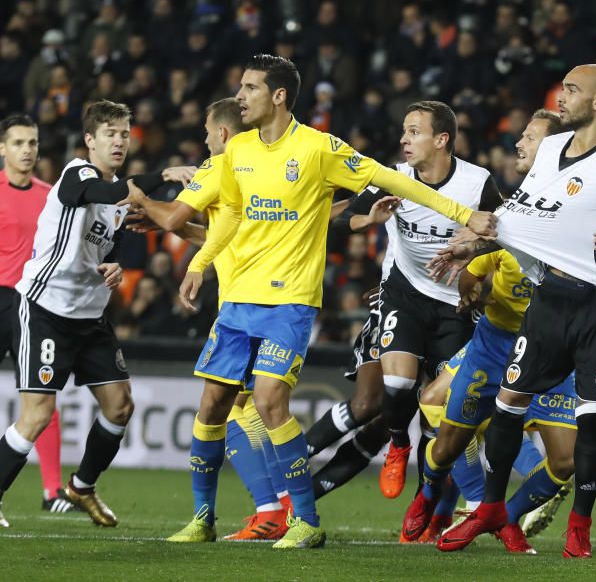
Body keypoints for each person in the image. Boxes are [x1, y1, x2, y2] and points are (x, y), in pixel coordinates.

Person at [171, 55, 495, 550]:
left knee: (267, 402)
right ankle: (202, 517)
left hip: (289, 301)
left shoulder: (319, 149)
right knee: (213, 404)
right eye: (240, 87)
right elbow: (232, 214)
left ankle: (304, 519)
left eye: (250, 88)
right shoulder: (237, 149)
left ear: (278, 95)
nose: (240, 97)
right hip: (237, 299)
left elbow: (394, 179)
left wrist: (462, 214)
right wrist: (200, 264)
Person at [428, 64, 596, 558]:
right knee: (509, 402)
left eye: (572, 89)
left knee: (593, 418)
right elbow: (526, 213)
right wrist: (477, 240)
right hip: (550, 296)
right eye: (562, 87)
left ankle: (579, 528)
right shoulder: (550, 150)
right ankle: (489, 509)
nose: (562, 95)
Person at [308, 100, 501, 502]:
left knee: (440, 417)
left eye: (414, 131)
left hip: (456, 307)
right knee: (392, 385)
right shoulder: (393, 177)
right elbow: (344, 221)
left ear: (442, 139)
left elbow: (504, 235)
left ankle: (427, 510)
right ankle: (398, 445)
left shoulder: (477, 182)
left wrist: (476, 251)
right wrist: (370, 220)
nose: (404, 139)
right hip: (404, 295)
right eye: (404, 130)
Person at [127, 98, 297, 542]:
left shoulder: (219, 166)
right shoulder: (260, 170)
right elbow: (215, 232)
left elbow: (177, 214)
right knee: (244, 405)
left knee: (225, 406)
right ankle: (276, 508)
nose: (204, 140)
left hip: (245, 304)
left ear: (222, 134)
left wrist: (144, 201)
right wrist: (171, 225)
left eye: (206, 132)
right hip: (263, 299)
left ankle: (243, 512)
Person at [0, 101, 142, 529]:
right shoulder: (77, 174)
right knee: (38, 413)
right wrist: (160, 177)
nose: (119, 141)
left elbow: (109, 238)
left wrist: (115, 262)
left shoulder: (112, 191)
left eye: (124, 133)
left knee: (119, 406)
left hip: (89, 314)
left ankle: (80, 487)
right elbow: (99, 194)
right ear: (89, 140)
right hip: (46, 308)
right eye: (110, 133)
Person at [0, 114, 79, 524]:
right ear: (2, 148)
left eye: (32, 143)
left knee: (41, 397)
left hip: (34, 304)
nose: (27, 150)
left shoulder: (52, 196)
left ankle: (52, 490)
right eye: (18, 143)